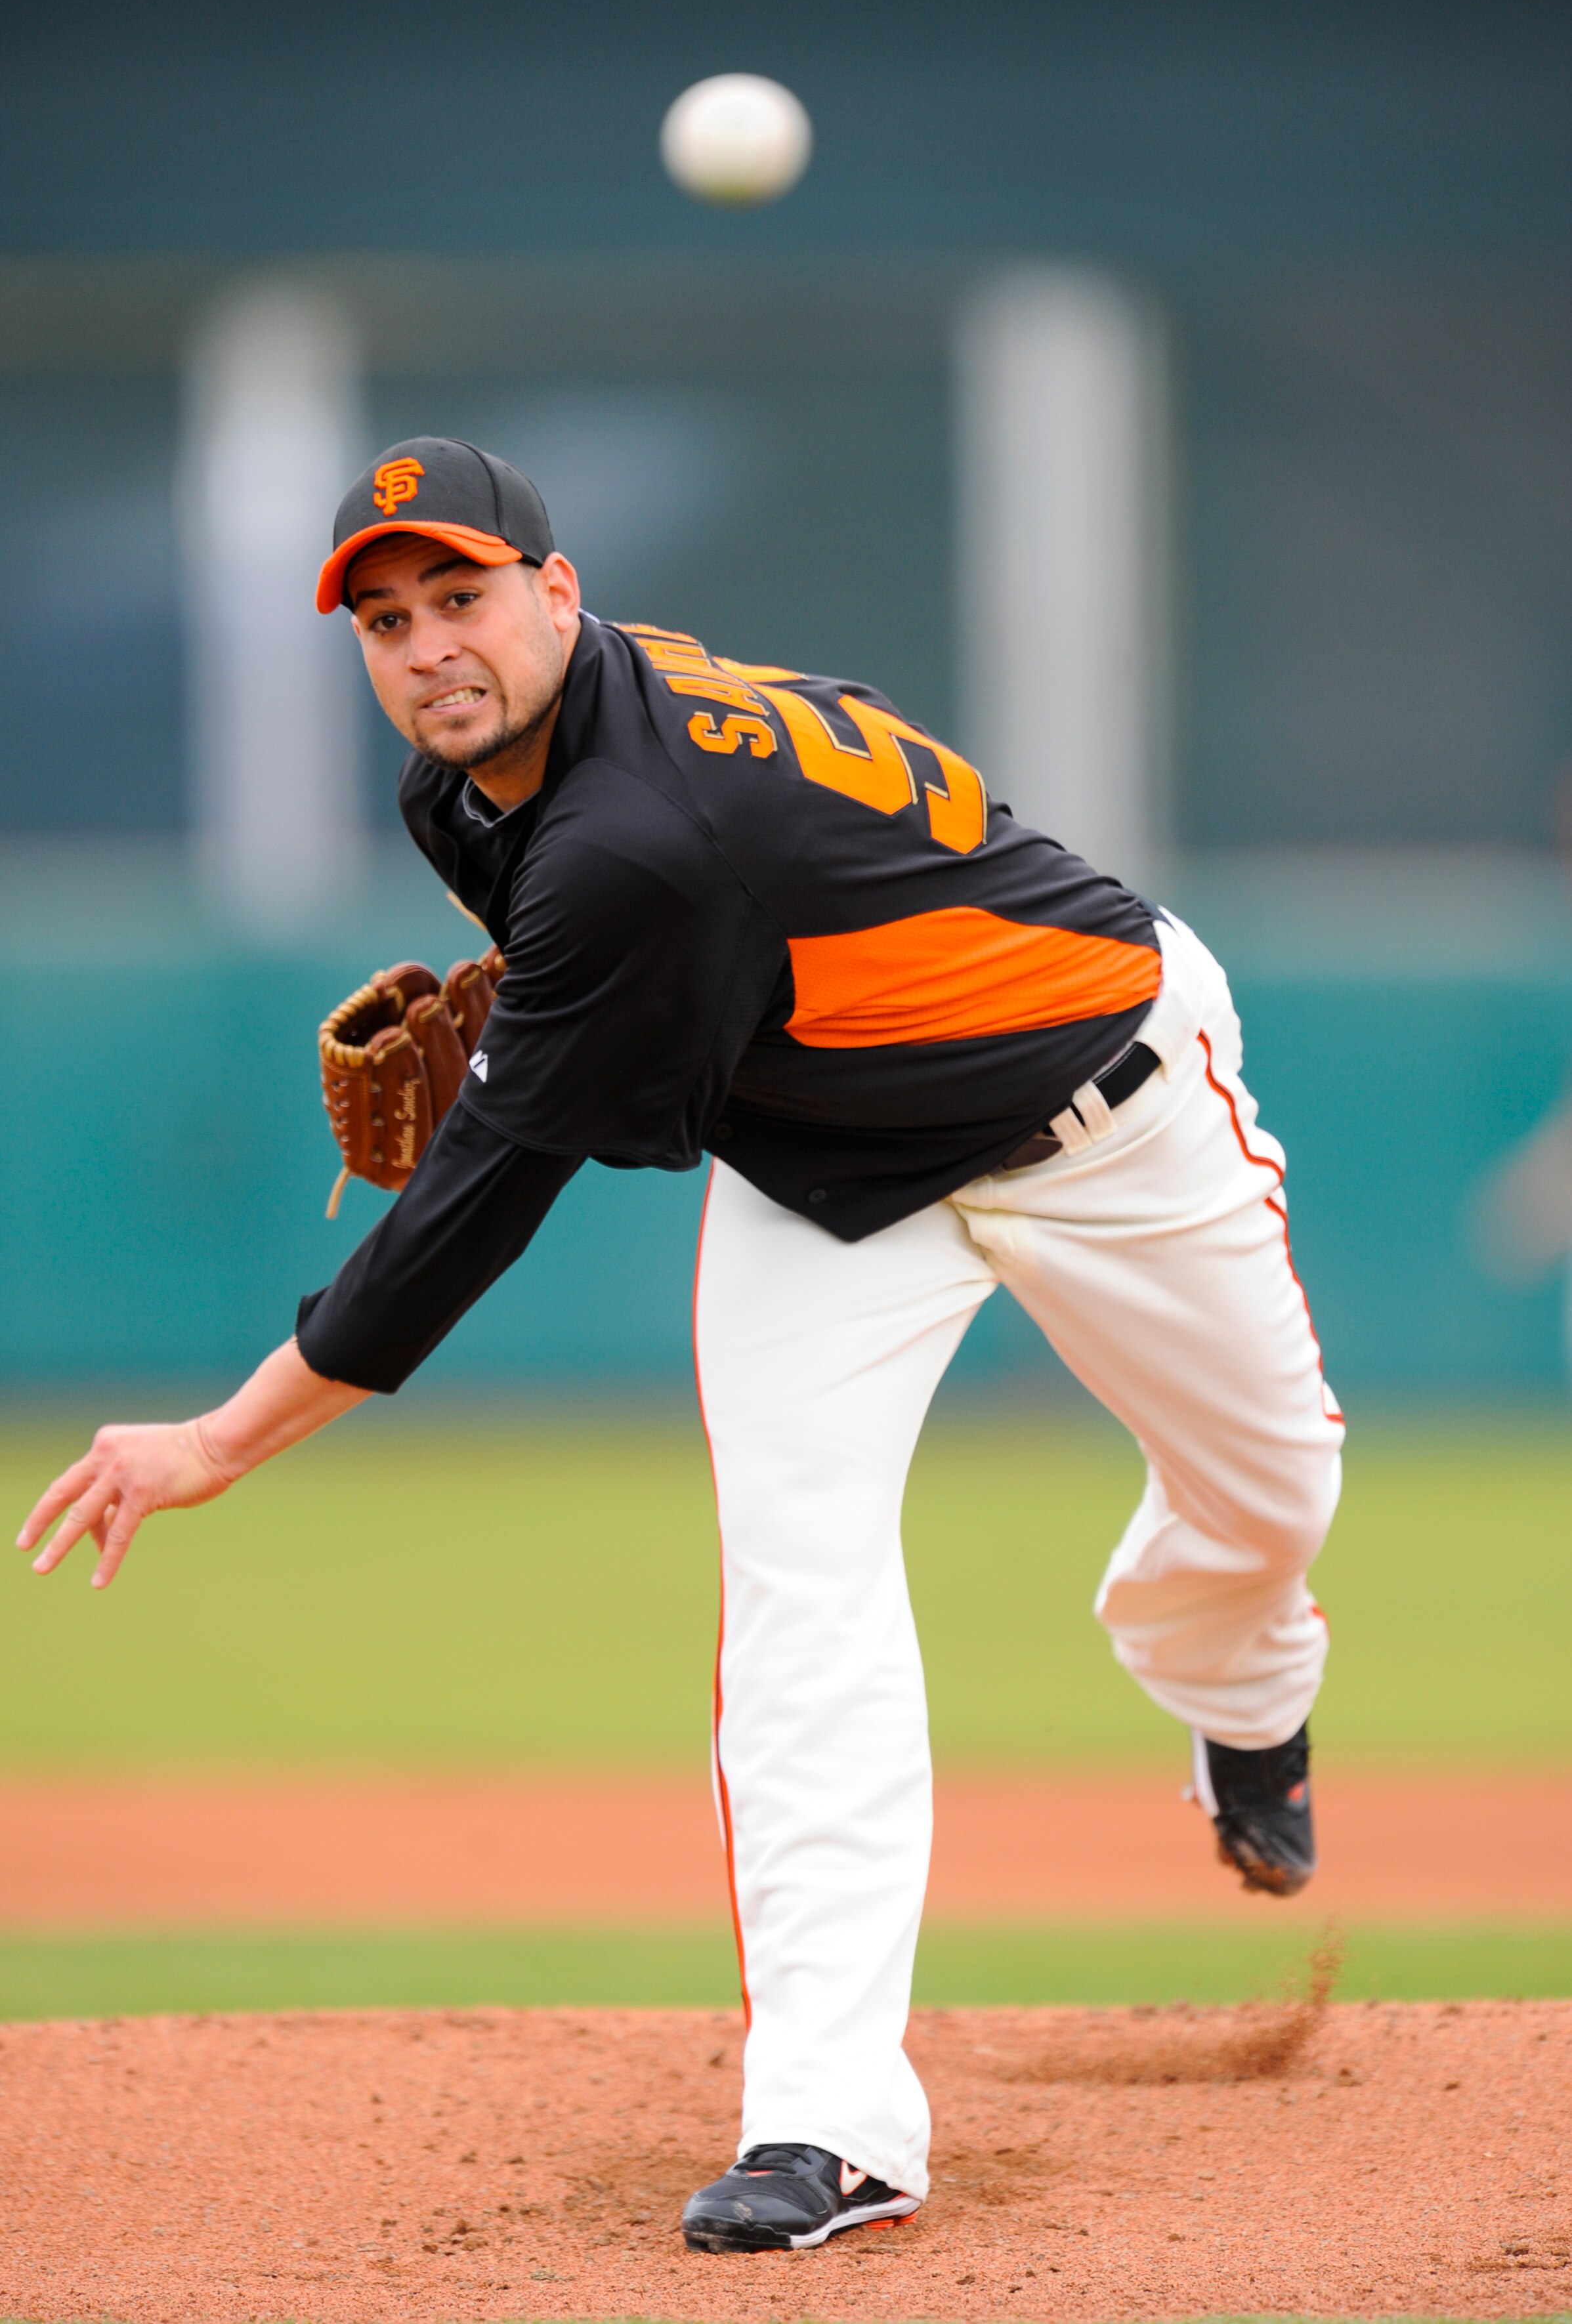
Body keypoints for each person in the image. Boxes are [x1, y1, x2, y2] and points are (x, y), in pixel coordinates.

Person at [20, 438, 1343, 2254]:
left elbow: (486, 1189)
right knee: (802, 1595)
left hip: (1106, 1115)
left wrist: (220, 1441)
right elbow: (652, 1054)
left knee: (1269, 1494)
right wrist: (578, 1033)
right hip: (826, 1176)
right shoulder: (469, 787)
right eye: (386, 619)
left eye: (464, 596)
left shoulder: (636, 837)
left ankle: (1243, 1696)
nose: (427, 648)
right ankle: (828, 2121)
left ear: (561, 595)